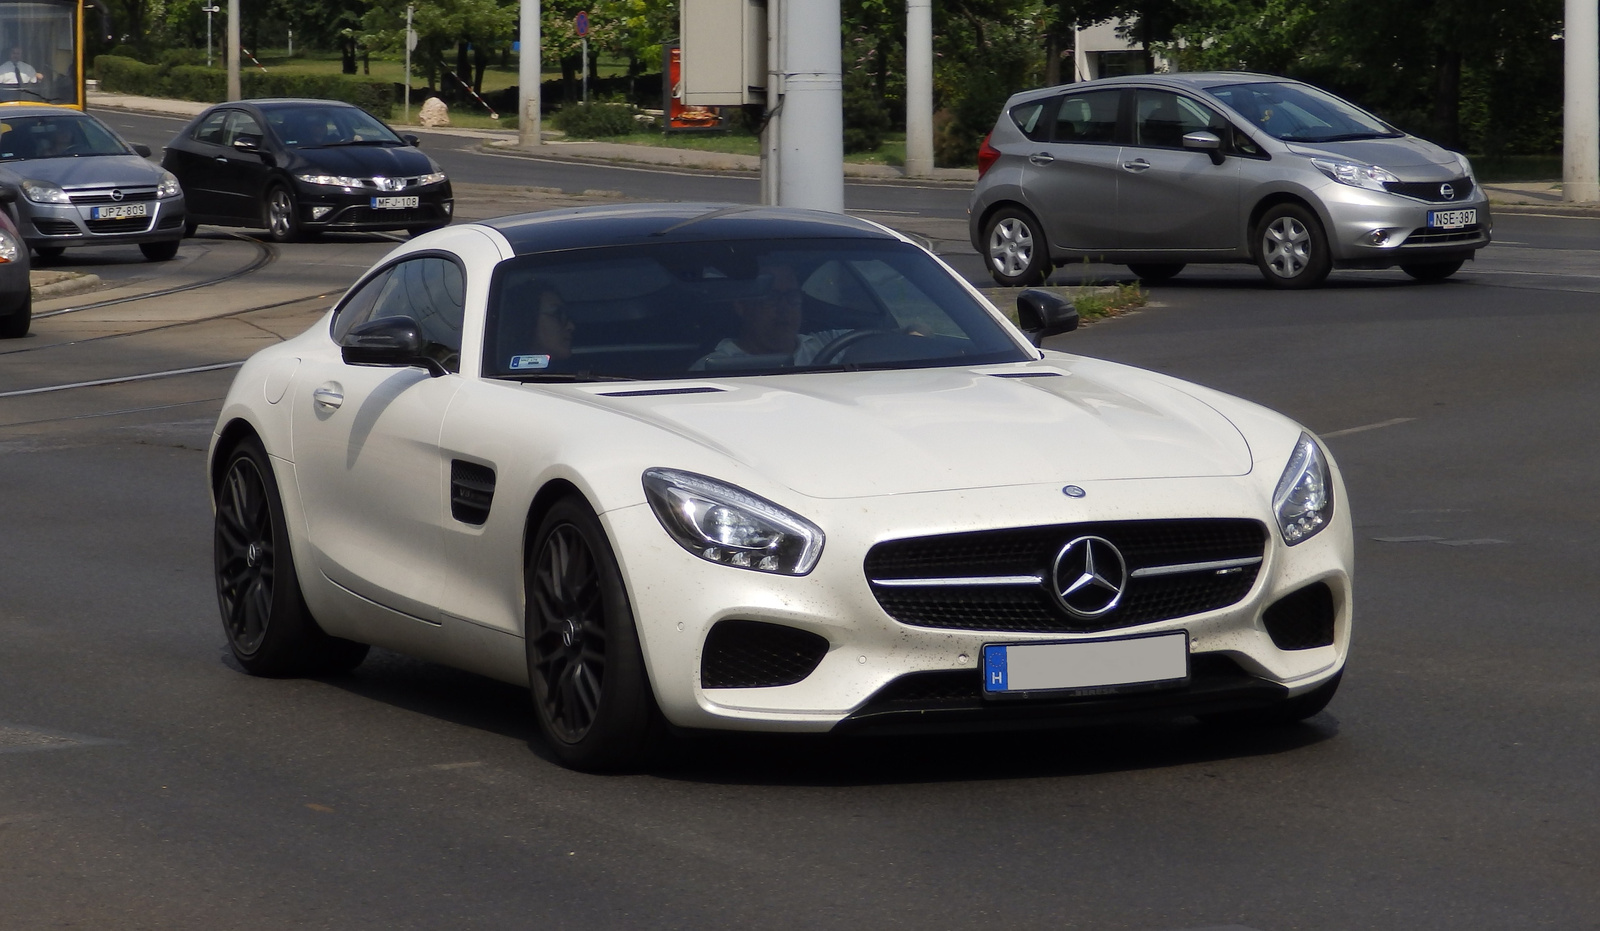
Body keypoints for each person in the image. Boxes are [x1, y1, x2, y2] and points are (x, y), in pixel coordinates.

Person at [692, 267, 851, 370]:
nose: (784, 308)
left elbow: (875, 338)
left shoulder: (832, 345)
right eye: (771, 298)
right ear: (741, 306)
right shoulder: (710, 368)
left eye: (792, 297)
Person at [504, 283, 574, 372]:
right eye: (557, 315)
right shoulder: (493, 382)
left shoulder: (571, 377)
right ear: (525, 320)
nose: (571, 327)